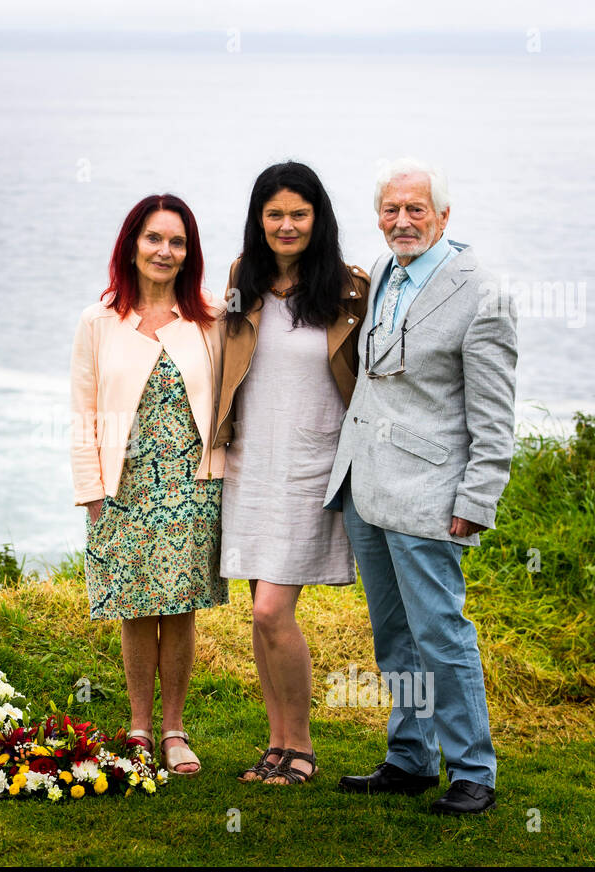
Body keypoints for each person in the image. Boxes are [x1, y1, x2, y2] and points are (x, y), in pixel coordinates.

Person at [323, 157, 518, 815]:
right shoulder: (382, 271)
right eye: (390, 210)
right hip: (366, 487)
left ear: (443, 216)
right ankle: (410, 759)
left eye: (415, 209)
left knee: (442, 634)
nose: (402, 221)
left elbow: (494, 417)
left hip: (433, 495)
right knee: (396, 637)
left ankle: (473, 772)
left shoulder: (480, 292)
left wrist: (477, 501)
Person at [213, 162, 370, 786]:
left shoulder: (350, 287)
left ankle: (300, 746)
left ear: (318, 218)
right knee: (259, 608)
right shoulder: (240, 280)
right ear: (259, 219)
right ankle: (275, 745)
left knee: (272, 611)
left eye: (298, 214)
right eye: (274, 214)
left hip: (314, 468)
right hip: (250, 463)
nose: (285, 225)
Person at [69, 193, 228, 776]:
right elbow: (82, 409)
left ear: (190, 253)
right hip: (123, 485)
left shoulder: (211, 317)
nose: (165, 250)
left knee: (181, 607)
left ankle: (174, 730)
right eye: (154, 238)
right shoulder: (99, 320)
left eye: (178, 241)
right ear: (133, 245)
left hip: (192, 484)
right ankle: (138, 727)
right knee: (134, 607)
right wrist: (90, 488)